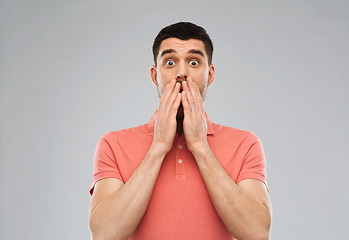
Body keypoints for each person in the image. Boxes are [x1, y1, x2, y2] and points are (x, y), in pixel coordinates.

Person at [88, 22, 272, 240]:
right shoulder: (113, 144)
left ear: (210, 75)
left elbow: (258, 233)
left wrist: (201, 147)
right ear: (154, 75)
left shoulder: (246, 144)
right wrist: (157, 148)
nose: (182, 73)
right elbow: (104, 234)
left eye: (193, 62)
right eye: (170, 62)